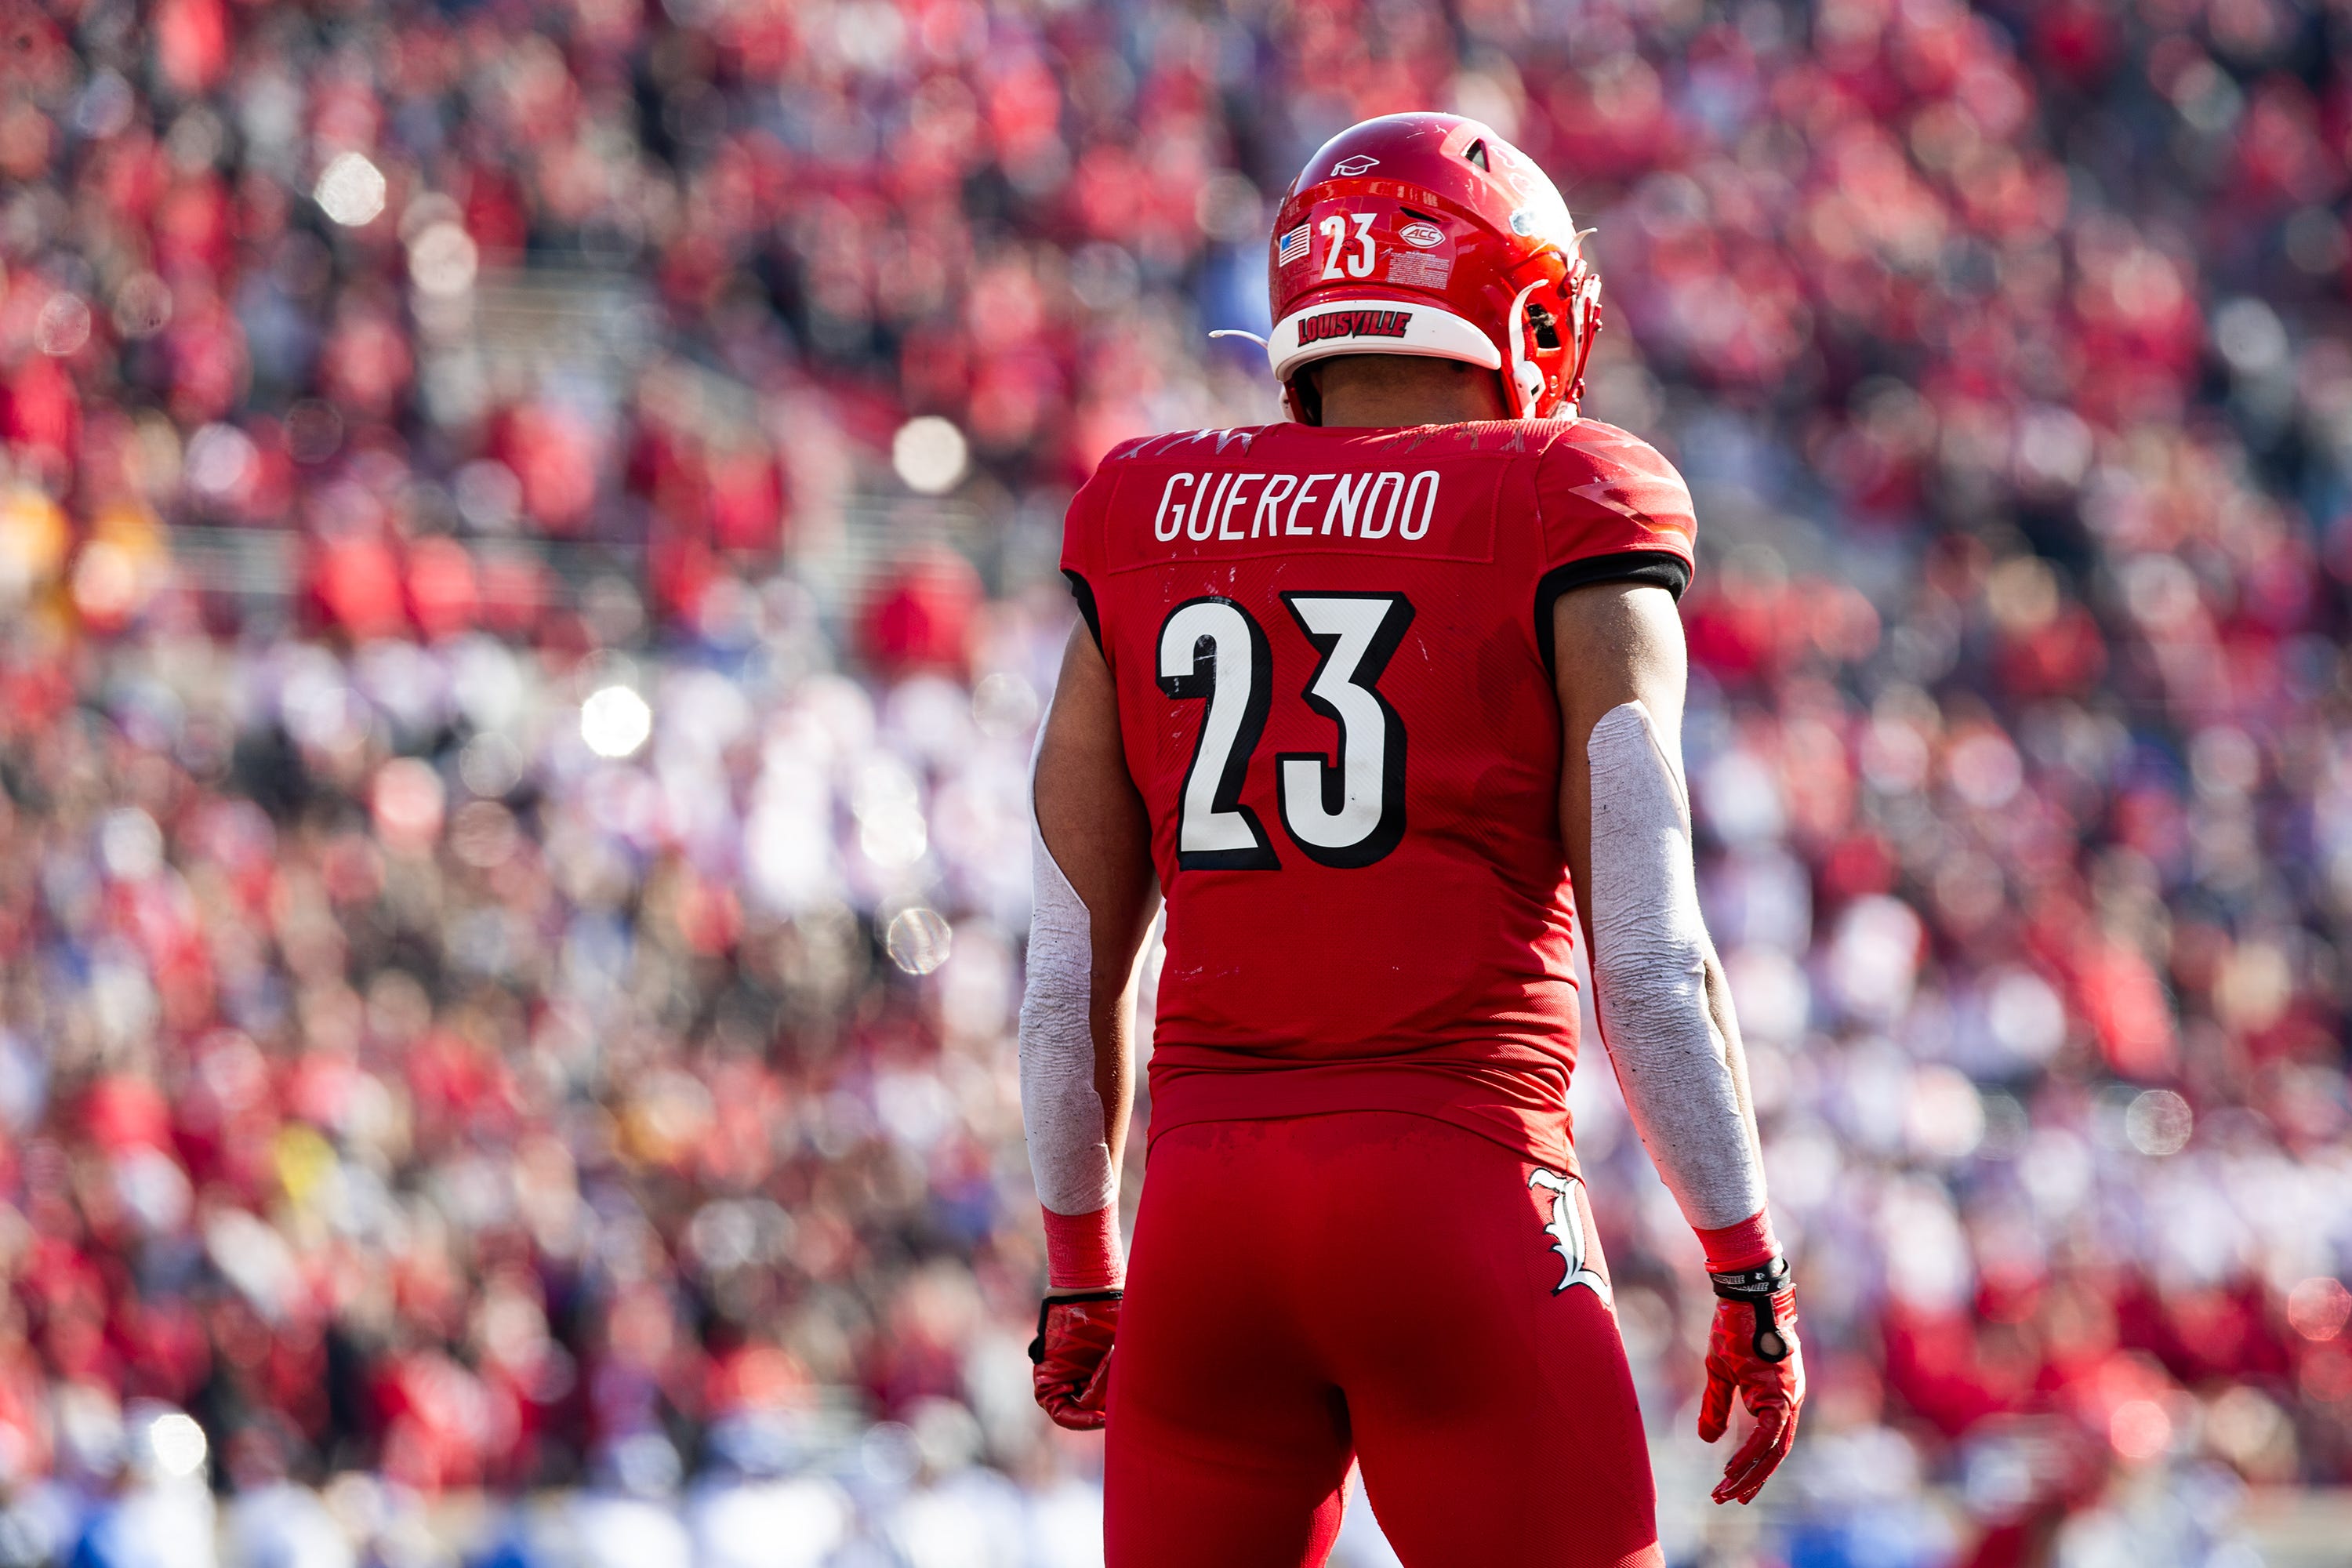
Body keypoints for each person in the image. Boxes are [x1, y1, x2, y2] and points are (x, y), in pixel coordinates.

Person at [1018, 112, 1805, 1567]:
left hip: (1203, 1224)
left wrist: (1082, 1263)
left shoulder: (1138, 506)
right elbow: (1650, 961)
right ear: (1530, 307)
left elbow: (1067, 966)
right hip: (1459, 1193)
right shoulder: (1569, 494)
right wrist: (1746, 1263)